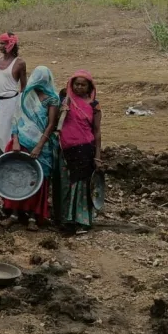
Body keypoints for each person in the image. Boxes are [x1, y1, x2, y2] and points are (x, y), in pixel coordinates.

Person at [2, 66, 60, 232]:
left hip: (41, 145)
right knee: (18, 176)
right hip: (22, 142)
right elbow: (16, 119)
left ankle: (33, 216)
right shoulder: (25, 96)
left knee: (37, 180)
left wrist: (40, 146)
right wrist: (15, 140)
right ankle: (13, 214)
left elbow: (50, 125)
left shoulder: (52, 99)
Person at [57, 70, 103, 234]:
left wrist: (98, 156)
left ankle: (81, 220)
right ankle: (65, 220)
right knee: (66, 185)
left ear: (89, 86)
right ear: (71, 84)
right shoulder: (65, 101)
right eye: (76, 84)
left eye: (83, 84)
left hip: (85, 149)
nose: (79, 87)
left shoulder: (94, 105)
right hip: (66, 148)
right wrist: (61, 110)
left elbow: (97, 131)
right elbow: (54, 122)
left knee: (82, 186)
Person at [0, 32, 27, 153]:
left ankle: (7, 156)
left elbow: (23, 86)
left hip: (10, 103)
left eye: (3, 43)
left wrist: (20, 106)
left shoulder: (19, 63)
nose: (0, 46)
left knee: (6, 132)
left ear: (11, 44)